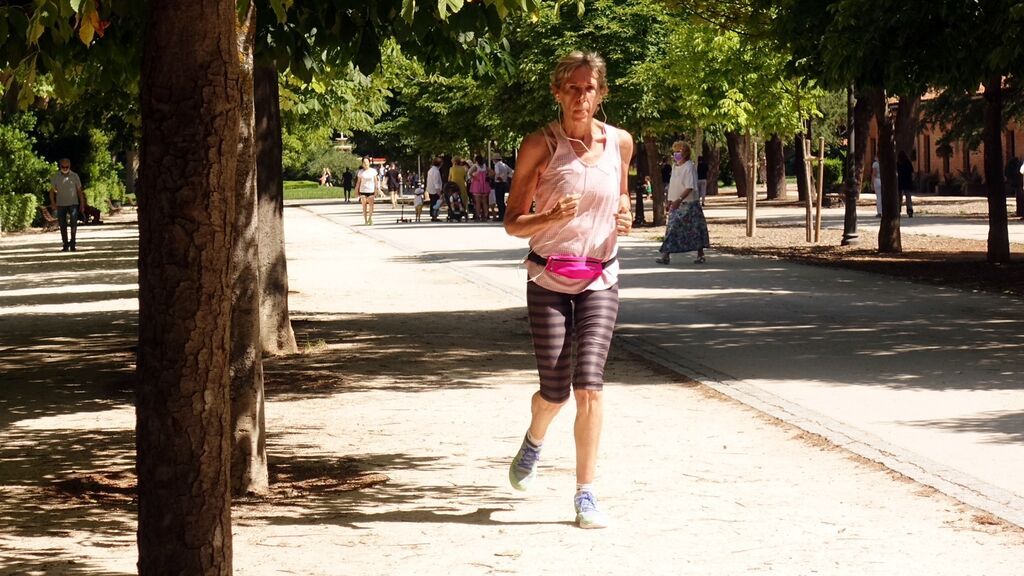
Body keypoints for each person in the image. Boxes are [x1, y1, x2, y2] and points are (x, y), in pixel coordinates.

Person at [503, 51, 633, 530]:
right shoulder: (540, 145)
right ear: (558, 92)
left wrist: (624, 214)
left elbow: (620, 195)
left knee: (590, 387)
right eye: (573, 88)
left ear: (602, 93)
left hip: (601, 276)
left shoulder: (620, 142)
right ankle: (535, 439)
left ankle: (585, 494)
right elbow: (513, 224)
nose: (582, 97)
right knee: (555, 393)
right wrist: (551, 217)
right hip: (549, 278)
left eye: (591, 88)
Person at [656, 141, 709, 265]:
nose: (676, 154)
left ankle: (700, 254)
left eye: (679, 151)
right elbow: (673, 185)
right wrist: (669, 200)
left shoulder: (689, 167)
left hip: (688, 203)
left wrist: (679, 199)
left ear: (685, 153)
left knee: (695, 229)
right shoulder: (675, 167)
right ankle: (666, 255)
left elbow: (689, 186)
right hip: (675, 203)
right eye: (674, 152)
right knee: (671, 228)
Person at [49, 158, 86, 252]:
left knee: (74, 225)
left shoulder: (75, 176)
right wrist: (53, 203)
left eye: (67, 166)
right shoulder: (55, 176)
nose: (65, 168)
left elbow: (79, 191)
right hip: (60, 204)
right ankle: (65, 244)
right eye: (63, 166)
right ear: (60, 166)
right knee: (62, 225)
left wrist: (82, 204)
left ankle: (73, 243)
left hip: (73, 204)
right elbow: (52, 191)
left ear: (70, 166)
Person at [355, 156, 380, 225]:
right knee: (364, 206)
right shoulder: (360, 172)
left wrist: (376, 190)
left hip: (371, 190)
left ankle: (370, 218)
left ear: (369, 163)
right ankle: (365, 220)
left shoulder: (373, 171)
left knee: (371, 206)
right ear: (362, 163)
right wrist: (356, 190)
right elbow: (358, 182)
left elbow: (376, 181)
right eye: (364, 162)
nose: (365, 164)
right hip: (363, 191)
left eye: (367, 162)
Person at [467, 154, 491, 221]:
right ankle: (485, 216)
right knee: (484, 202)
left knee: (477, 202)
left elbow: (469, 173)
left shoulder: (475, 166)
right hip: (484, 185)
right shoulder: (485, 166)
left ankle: (478, 216)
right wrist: (487, 176)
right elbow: (492, 172)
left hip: (477, 185)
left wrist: (474, 177)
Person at [493, 155, 513, 221]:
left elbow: (497, 173)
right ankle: (504, 215)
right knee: (502, 200)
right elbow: (511, 172)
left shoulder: (496, 165)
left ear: (495, 160)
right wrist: (506, 177)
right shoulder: (505, 165)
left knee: (499, 200)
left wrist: (499, 178)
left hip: (498, 183)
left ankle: (501, 216)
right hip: (504, 183)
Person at [897, 151, 914, 218]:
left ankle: (898, 210)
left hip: (900, 182)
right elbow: (912, 173)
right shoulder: (908, 163)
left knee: (899, 197)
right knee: (908, 196)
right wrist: (912, 180)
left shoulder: (898, 164)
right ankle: (910, 209)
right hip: (907, 181)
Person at [426, 156, 444, 222]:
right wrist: (439, 193)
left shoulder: (430, 170)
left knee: (432, 203)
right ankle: (434, 216)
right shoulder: (436, 171)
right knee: (436, 203)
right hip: (435, 190)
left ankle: (433, 215)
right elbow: (436, 183)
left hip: (430, 189)